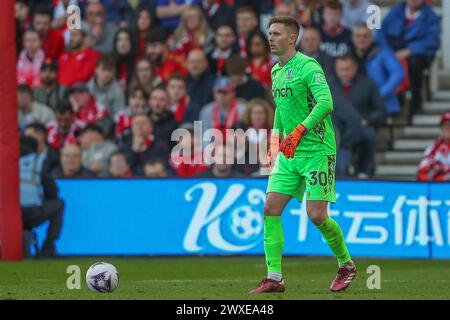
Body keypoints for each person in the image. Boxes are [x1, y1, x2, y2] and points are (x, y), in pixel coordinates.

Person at [250, 16, 355, 294]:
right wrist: (275, 143)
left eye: (276, 34)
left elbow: (326, 103)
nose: (270, 38)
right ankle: (274, 277)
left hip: (317, 150)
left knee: (317, 215)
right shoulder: (275, 71)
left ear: (291, 38)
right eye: (269, 33)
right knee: (270, 207)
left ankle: (346, 264)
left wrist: (298, 132)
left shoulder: (309, 66)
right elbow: (282, 112)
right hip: (289, 152)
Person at [376, 0, 440, 116]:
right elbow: (381, 34)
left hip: (417, 55)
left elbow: (432, 41)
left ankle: (415, 102)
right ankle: (389, 102)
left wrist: (409, 50)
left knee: (413, 63)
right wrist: (388, 52)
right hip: (393, 53)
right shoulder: (395, 11)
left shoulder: (431, 16)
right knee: (379, 62)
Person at [328, 54, 385, 177]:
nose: (344, 73)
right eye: (341, 70)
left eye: (347, 69)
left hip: (360, 127)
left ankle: (363, 171)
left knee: (369, 135)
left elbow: (380, 110)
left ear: (355, 68)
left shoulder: (368, 84)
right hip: (335, 129)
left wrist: (367, 121)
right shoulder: (328, 85)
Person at [20, 136, 64, 258]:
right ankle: (48, 248)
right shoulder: (38, 160)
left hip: (7, 214)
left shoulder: (6, 159)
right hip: (31, 212)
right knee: (59, 204)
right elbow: (50, 189)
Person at [351, 23, 404, 115]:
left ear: (371, 37)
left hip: (382, 104)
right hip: (356, 105)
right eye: (358, 36)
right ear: (352, 38)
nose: (361, 39)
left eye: (365, 36)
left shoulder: (383, 52)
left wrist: (379, 94)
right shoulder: (348, 56)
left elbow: (398, 73)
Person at [417, 112, 450, 181]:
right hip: (436, 189)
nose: (448, 128)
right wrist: (441, 178)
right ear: (441, 128)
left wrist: (440, 169)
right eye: (445, 125)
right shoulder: (432, 149)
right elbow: (422, 173)